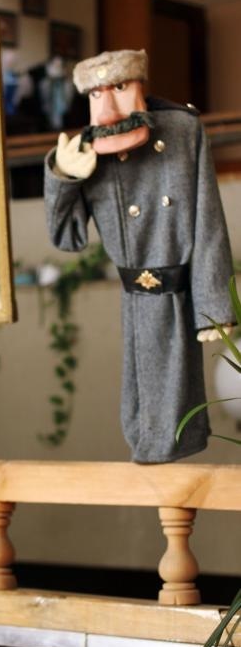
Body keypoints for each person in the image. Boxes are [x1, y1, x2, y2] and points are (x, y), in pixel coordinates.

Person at [44, 48, 235, 464]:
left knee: (178, 403)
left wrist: (214, 307)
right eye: (97, 94)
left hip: (179, 286)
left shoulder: (183, 129)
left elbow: (208, 221)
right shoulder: (86, 149)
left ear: (139, 86)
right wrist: (62, 177)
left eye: (119, 87)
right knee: (143, 407)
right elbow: (66, 236)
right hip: (136, 295)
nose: (108, 106)